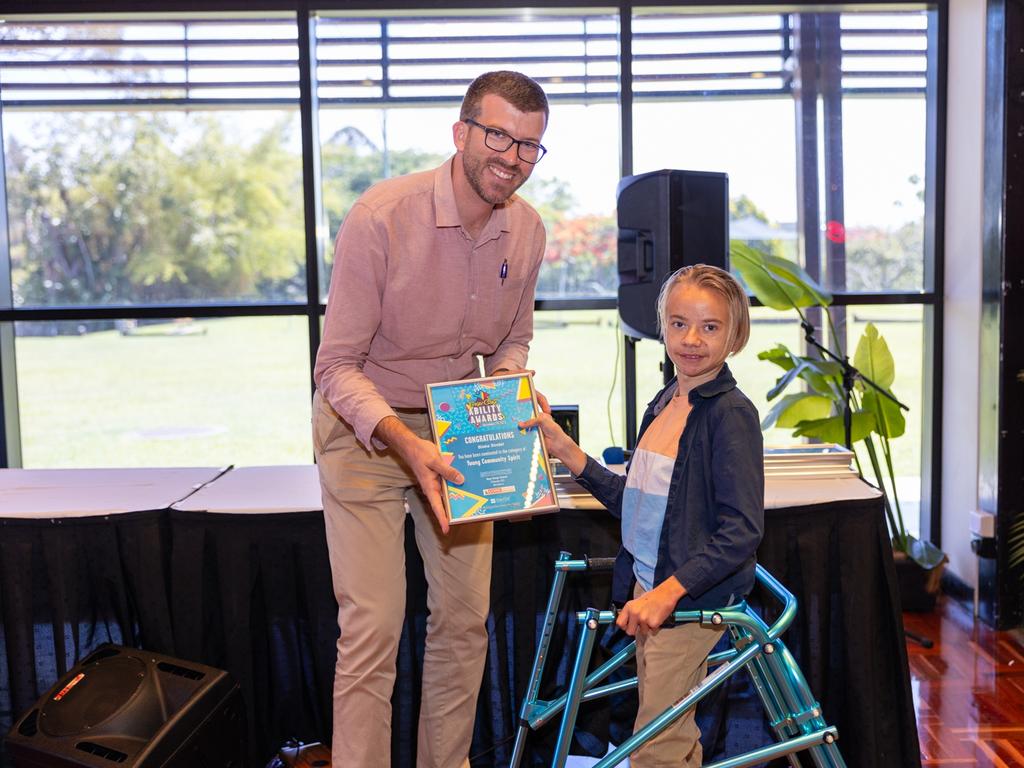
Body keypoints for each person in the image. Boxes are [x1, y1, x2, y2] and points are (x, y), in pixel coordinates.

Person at [311, 71, 549, 768]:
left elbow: (513, 341)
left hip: (459, 433)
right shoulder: (382, 216)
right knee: (374, 628)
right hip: (367, 435)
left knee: (464, 624)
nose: (512, 157)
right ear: (462, 133)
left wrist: (508, 394)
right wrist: (403, 444)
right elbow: (335, 367)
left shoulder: (528, 230)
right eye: (499, 136)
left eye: (530, 146)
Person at [523, 264, 764, 767]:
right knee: (666, 731)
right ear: (662, 326)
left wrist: (667, 594)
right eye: (679, 323)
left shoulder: (730, 414)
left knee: (657, 744)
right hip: (652, 589)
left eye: (710, 326)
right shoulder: (665, 402)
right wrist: (567, 451)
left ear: (736, 334)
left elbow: (740, 531)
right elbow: (639, 500)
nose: (691, 339)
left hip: (685, 603)